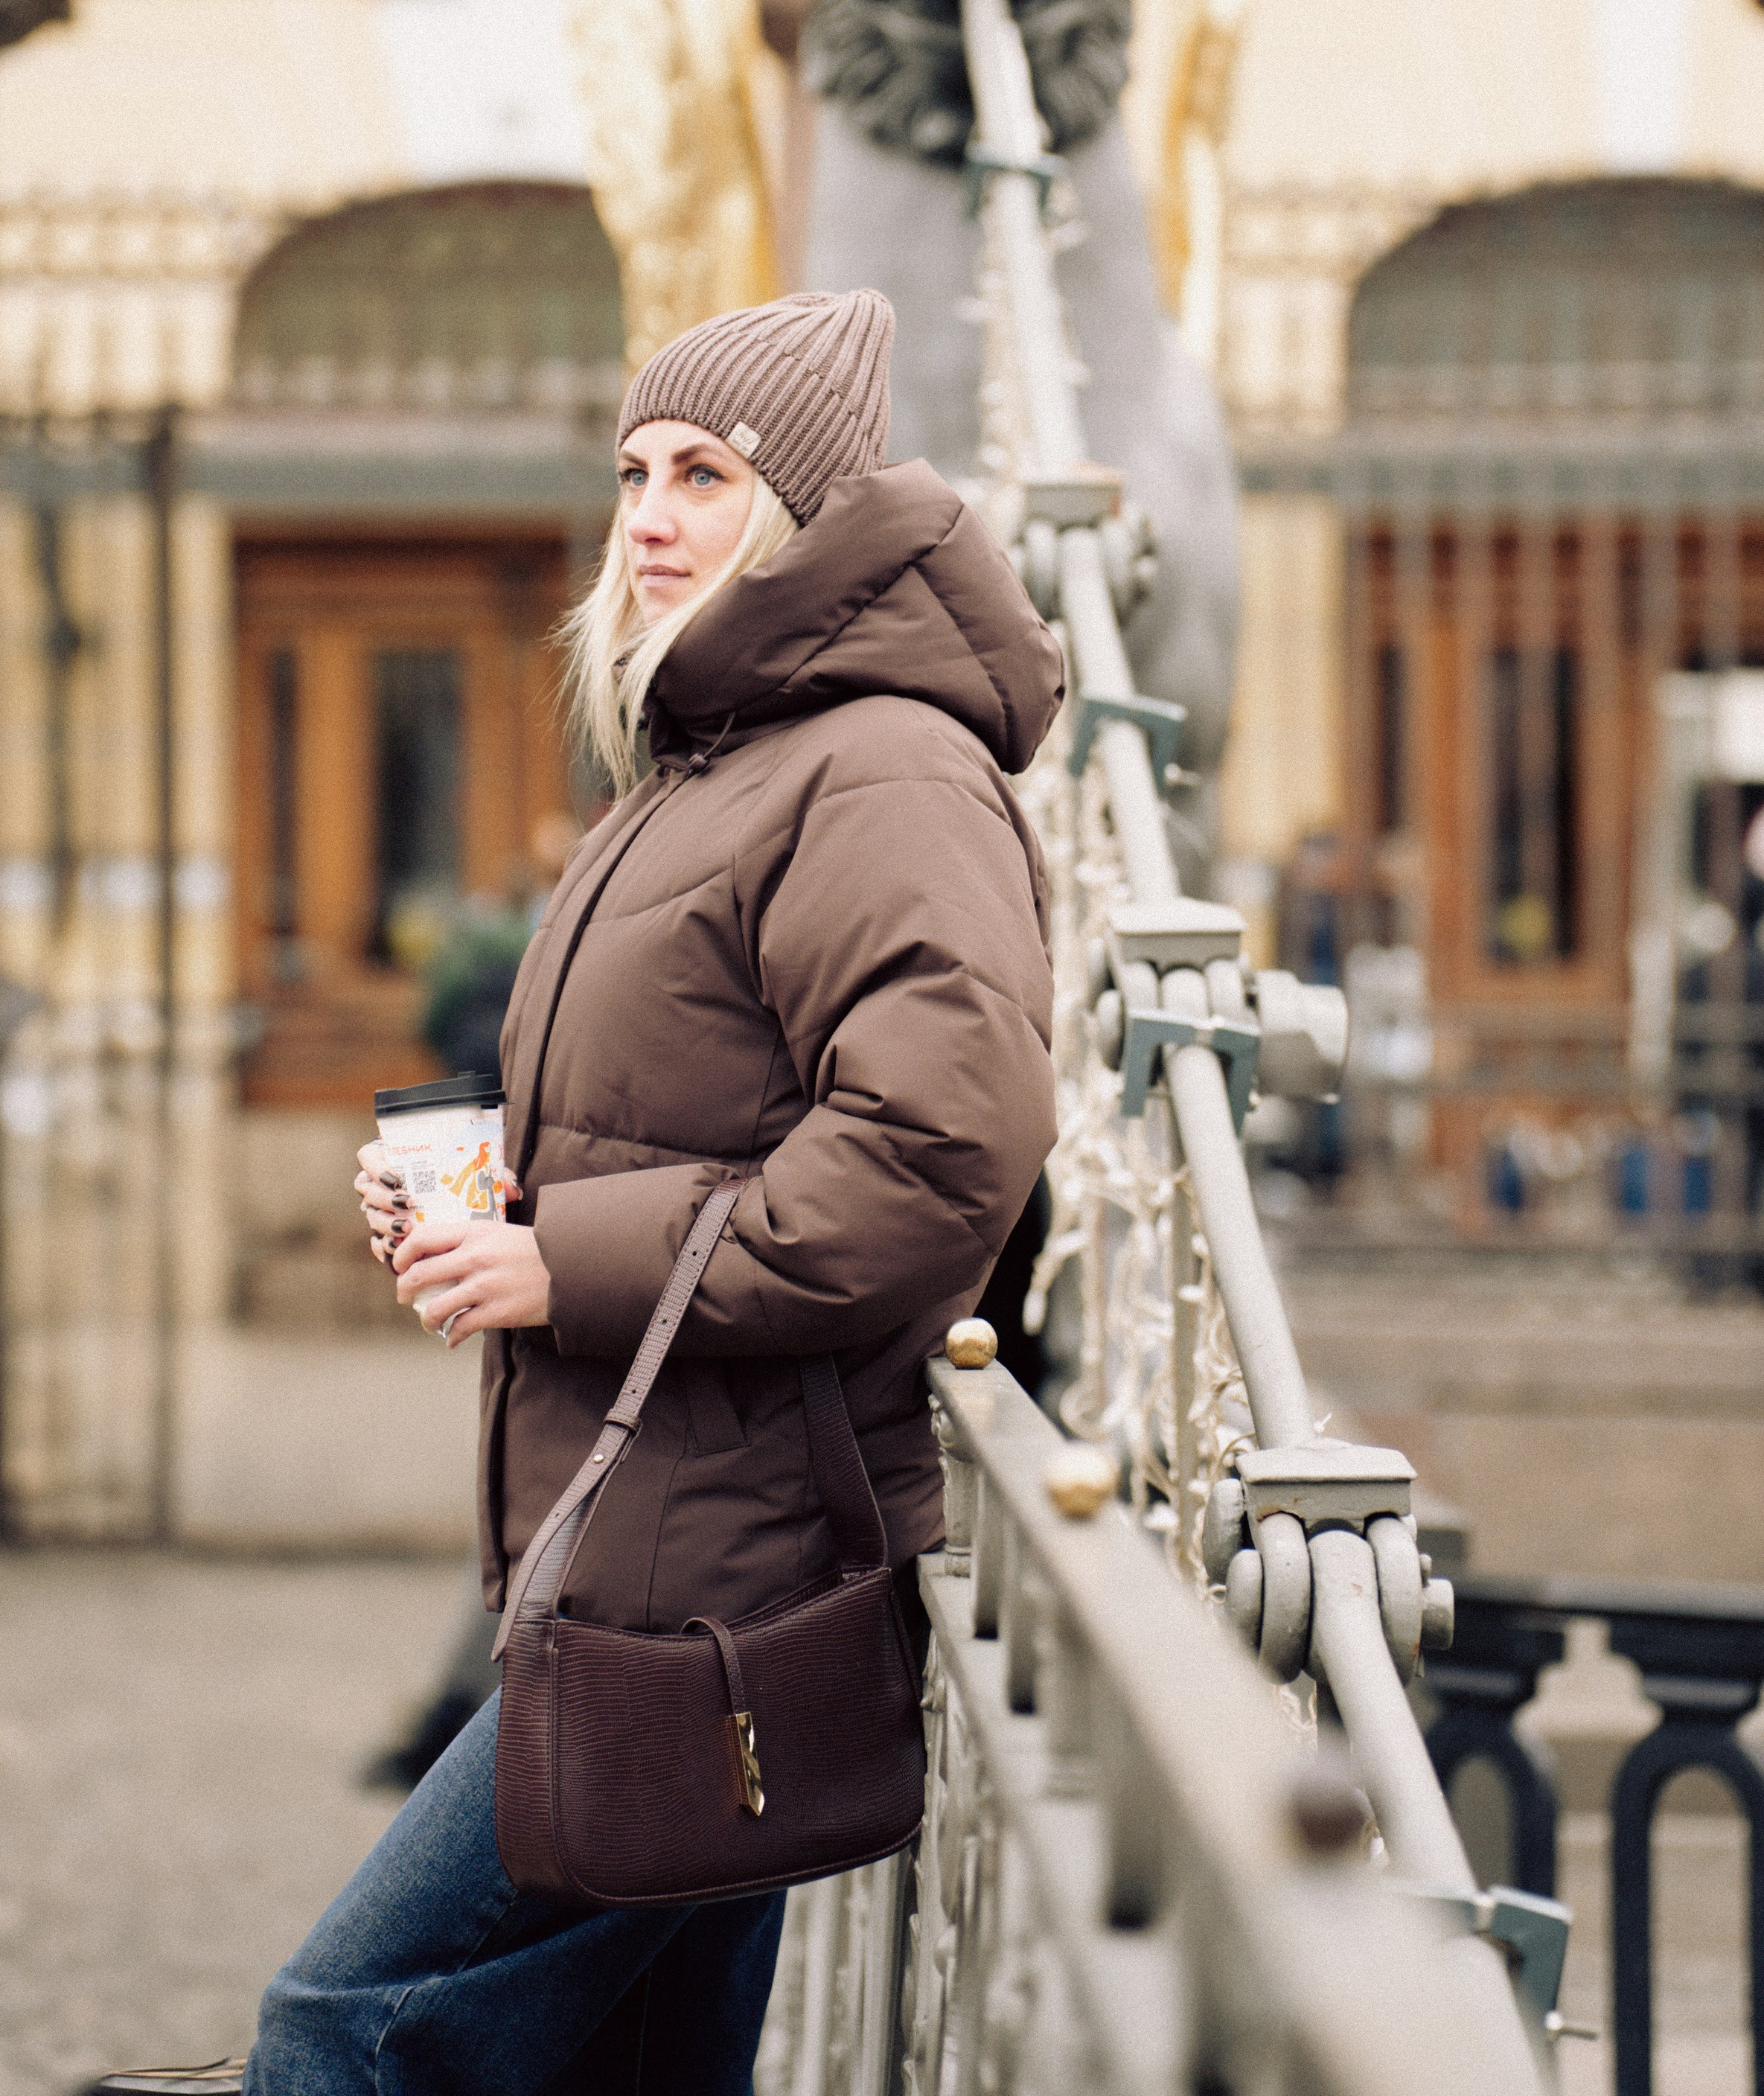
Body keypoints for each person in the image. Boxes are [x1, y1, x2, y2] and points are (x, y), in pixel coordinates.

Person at [91, 289, 1061, 2096]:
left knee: (342, 2032)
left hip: (721, 1573)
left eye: (704, 474)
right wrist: (489, 1208)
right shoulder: (711, 762)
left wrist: (565, 1260)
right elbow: (681, 1121)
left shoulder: (879, 768)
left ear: (806, 510)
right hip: (646, 1535)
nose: (649, 516)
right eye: (632, 471)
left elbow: (934, 1156)